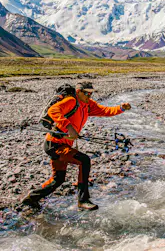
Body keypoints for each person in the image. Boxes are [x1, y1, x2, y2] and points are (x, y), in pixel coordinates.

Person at [22, 81, 131, 210]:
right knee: (84, 160)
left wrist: (121, 108)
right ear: (78, 92)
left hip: (64, 145)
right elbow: (54, 110)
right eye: (87, 93)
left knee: (58, 179)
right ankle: (83, 200)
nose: (89, 96)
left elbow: (104, 110)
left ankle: (31, 199)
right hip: (54, 144)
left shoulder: (88, 104)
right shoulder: (71, 101)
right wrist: (68, 127)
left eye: (91, 93)